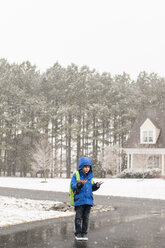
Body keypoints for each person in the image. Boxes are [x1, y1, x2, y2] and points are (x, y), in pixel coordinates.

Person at [71, 156, 103, 241]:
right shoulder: (76, 175)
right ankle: (78, 233)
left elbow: (91, 188)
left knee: (86, 218)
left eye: (88, 167)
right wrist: (80, 184)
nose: (87, 169)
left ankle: (84, 233)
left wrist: (96, 185)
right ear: (81, 167)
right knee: (78, 218)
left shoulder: (90, 177)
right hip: (79, 201)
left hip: (88, 201)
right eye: (85, 167)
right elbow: (73, 186)